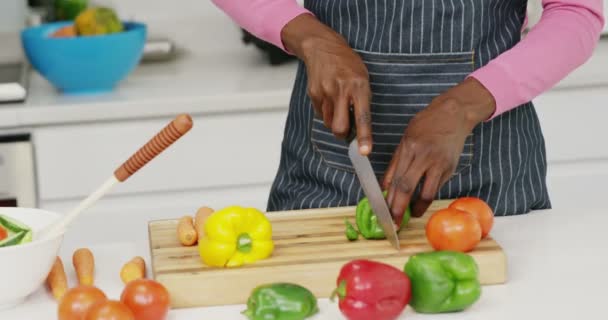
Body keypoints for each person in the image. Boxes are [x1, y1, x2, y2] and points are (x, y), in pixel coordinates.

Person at [211, 0, 605, 222]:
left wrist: (465, 104)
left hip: (489, 185)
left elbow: (576, 12)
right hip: (324, 177)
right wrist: (308, 36)